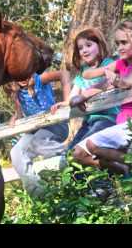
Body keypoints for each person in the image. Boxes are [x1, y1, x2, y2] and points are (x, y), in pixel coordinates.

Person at [72, 20, 132, 175]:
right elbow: (88, 75)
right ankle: (124, 168)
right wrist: (82, 96)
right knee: (78, 153)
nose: (119, 47)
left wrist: (114, 78)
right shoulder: (121, 63)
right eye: (117, 43)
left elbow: (127, 82)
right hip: (122, 124)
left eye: (124, 42)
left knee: (92, 145)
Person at [51, 27, 120, 162]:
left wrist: (86, 95)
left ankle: (102, 182)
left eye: (89, 45)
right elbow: (73, 96)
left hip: (108, 118)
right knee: (69, 156)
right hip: (89, 121)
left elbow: (109, 84)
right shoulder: (83, 73)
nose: (84, 50)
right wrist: (63, 103)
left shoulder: (109, 64)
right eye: (81, 48)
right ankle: (87, 182)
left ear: (100, 46)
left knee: (84, 150)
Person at [5, 70, 71, 197]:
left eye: (24, 73)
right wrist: (15, 115)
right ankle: (39, 194)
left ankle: (71, 156)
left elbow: (64, 74)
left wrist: (67, 100)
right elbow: (20, 112)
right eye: (18, 75)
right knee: (16, 153)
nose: (22, 78)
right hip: (35, 129)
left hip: (55, 124)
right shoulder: (17, 90)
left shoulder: (40, 79)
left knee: (37, 143)